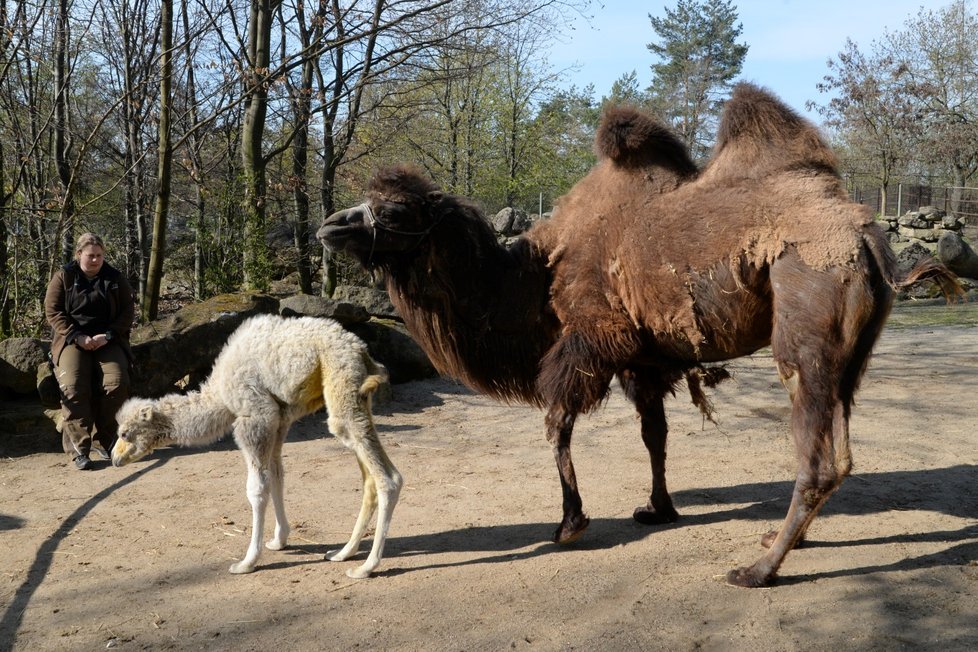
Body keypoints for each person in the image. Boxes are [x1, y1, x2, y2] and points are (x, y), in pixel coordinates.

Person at [45, 233, 135, 470]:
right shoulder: (64, 277)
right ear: (79, 255)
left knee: (116, 382)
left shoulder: (115, 278)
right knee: (73, 385)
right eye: (90, 256)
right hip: (72, 341)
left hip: (108, 340)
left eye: (99, 256)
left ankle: (111, 441)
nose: (95, 260)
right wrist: (78, 336)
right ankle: (79, 449)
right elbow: (53, 311)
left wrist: (108, 335)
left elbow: (128, 311)